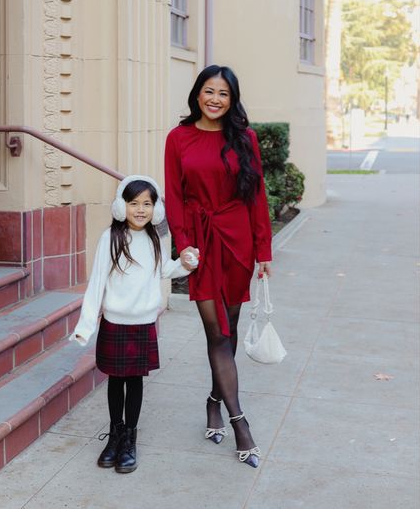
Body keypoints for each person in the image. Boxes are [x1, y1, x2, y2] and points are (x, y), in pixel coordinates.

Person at [164, 65, 272, 468]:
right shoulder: (178, 138)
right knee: (216, 333)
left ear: (232, 100)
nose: (215, 99)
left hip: (238, 240)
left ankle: (214, 400)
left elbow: (256, 197)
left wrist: (264, 251)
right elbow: (174, 196)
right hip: (202, 243)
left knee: (230, 328)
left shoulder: (245, 138)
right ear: (197, 94)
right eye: (209, 91)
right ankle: (240, 423)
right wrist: (184, 244)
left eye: (223, 94)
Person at [70, 175, 198, 474]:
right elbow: (98, 282)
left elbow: (164, 269)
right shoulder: (110, 238)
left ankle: (130, 438)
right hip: (115, 321)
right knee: (115, 380)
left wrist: (186, 264)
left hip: (142, 323)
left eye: (147, 204)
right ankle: (115, 435)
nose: (140, 210)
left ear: (156, 209)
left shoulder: (156, 238)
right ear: (120, 206)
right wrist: (85, 325)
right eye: (133, 203)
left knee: (135, 381)